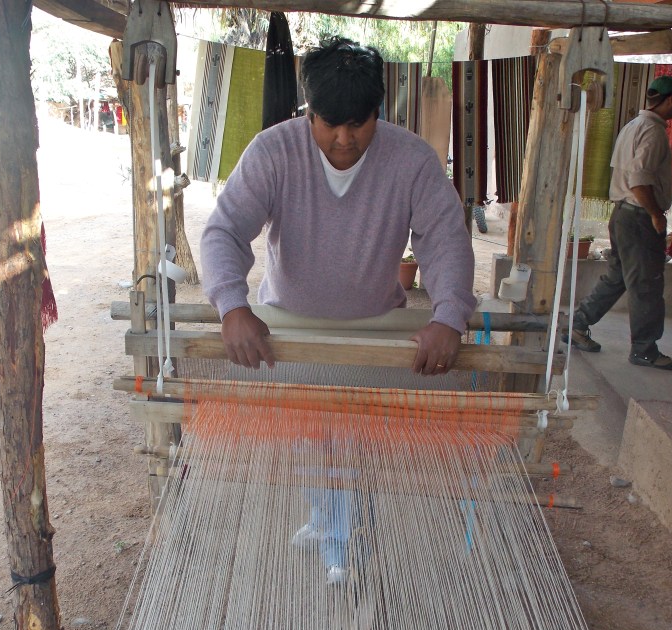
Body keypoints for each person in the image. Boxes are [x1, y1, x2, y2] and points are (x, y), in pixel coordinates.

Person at [200, 37, 477, 583]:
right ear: (308, 110)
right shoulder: (274, 151)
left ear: (379, 111)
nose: (344, 139)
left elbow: (444, 240)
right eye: (329, 123)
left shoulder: (411, 160)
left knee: (350, 439)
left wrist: (449, 315)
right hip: (292, 327)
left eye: (359, 123)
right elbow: (224, 231)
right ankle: (326, 522)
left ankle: (343, 544)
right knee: (312, 432)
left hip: (373, 328)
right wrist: (232, 305)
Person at [563, 75, 672, 371]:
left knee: (619, 277)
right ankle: (644, 349)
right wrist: (657, 214)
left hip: (622, 214)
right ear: (671, 100)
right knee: (647, 284)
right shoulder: (654, 132)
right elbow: (639, 180)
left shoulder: (632, 126)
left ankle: (578, 324)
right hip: (639, 216)